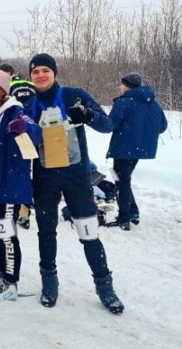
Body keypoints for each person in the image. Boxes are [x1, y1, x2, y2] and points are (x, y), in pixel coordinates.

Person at [24, 53, 124, 314]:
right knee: (46, 232)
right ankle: (49, 281)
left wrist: (87, 114)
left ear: (54, 73)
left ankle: (105, 286)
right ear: (30, 75)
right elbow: (25, 145)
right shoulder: (30, 104)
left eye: (46, 70)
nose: (41, 75)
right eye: (35, 71)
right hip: (45, 178)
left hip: (76, 176)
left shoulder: (74, 95)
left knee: (88, 232)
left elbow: (108, 124)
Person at [0, 69, 41, 301]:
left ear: (4, 90)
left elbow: (37, 132)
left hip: (8, 187)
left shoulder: (15, 111)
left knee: (6, 235)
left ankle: (12, 281)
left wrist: (25, 128)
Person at [106, 72, 167, 230]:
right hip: (139, 150)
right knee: (124, 180)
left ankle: (124, 218)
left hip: (123, 149)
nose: (120, 87)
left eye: (122, 84)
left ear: (127, 86)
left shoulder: (123, 103)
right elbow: (163, 126)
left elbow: (111, 124)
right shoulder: (153, 103)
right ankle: (132, 213)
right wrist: (143, 133)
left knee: (121, 182)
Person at [0, 63, 36, 229]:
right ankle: (25, 212)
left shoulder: (8, 88)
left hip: (15, 133)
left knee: (18, 173)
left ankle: (18, 210)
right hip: (30, 129)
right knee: (26, 173)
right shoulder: (30, 85)